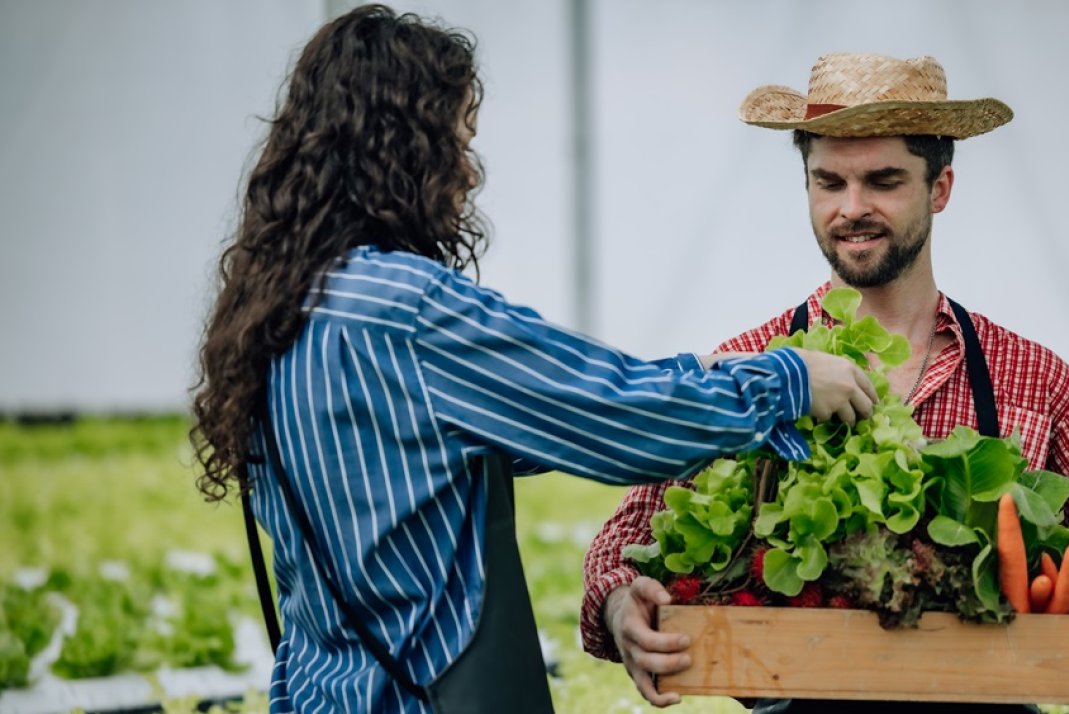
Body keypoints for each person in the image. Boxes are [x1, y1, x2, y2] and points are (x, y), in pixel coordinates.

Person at [188, 7, 882, 714]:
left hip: (319, 691)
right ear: (402, 148)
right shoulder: (406, 307)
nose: (466, 172)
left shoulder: (280, 306)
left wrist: (693, 376)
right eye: (456, 140)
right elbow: (607, 410)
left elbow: (475, 437)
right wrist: (787, 381)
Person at [580, 52, 1069, 712]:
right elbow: (626, 536)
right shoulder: (746, 365)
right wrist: (616, 605)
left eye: (883, 181)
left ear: (940, 188)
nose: (851, 208)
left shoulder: (1032, 378)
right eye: (828, 182)